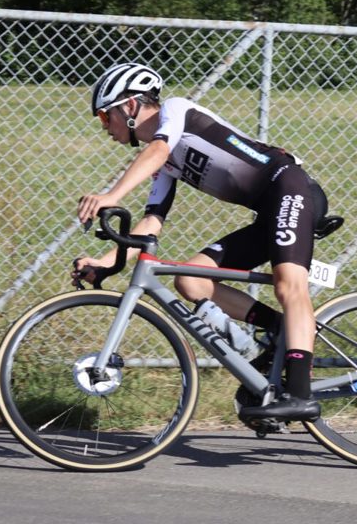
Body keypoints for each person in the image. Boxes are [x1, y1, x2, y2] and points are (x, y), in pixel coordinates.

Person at [75, 62, 327, 421]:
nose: (104, 127)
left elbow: (158, 149)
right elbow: (151, 223)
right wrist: (105, 262)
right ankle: (278, 330)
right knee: (191, 280)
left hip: (291, 188)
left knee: (289, 284)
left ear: (129, 106)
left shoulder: (176, 111)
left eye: (104, 116)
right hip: (269, 210)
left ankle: (301, 395)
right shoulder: (165, 163)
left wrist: (111, 195)